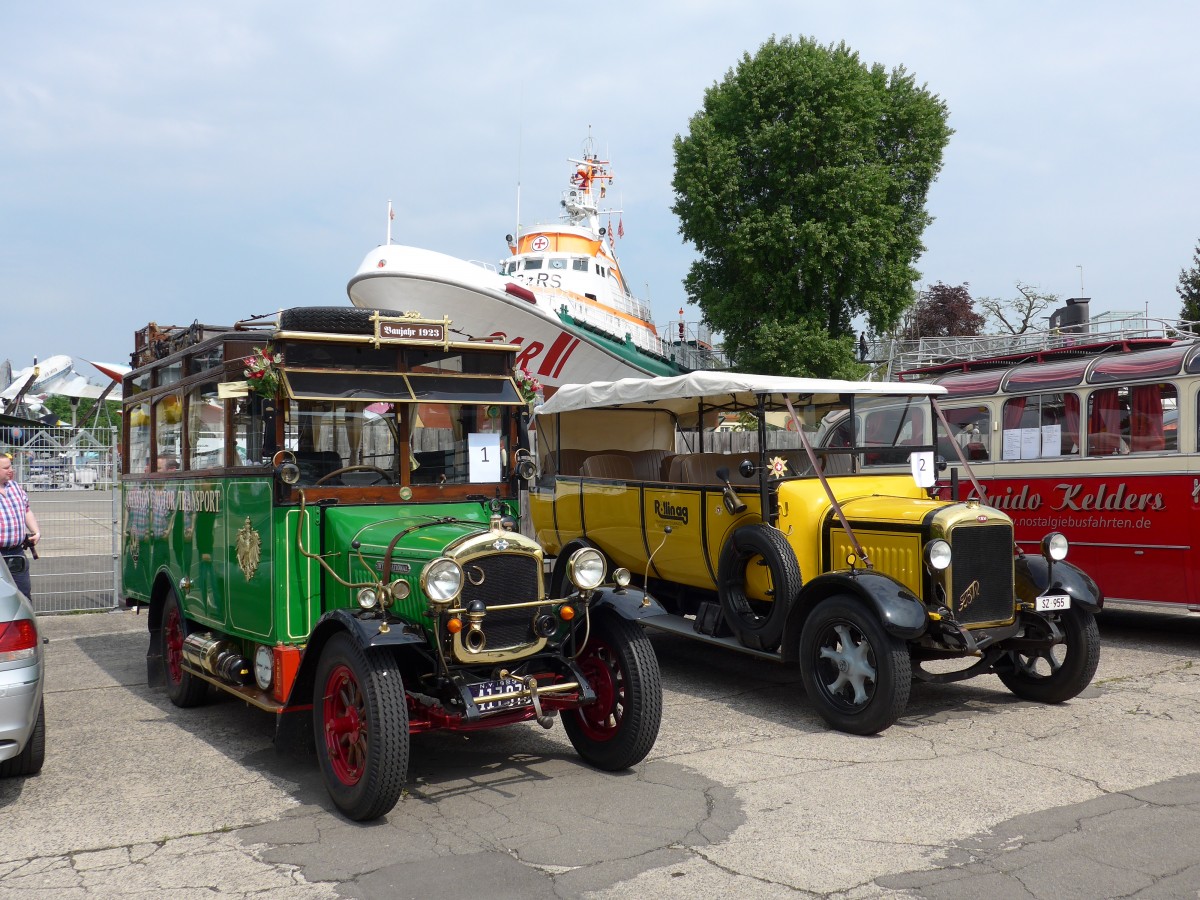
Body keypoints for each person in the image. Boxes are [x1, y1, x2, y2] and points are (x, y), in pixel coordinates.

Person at [0, 454, 41, 599]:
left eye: (10, 466)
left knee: (23, 596)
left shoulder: (15, 487)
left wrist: (35, 531)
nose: (11, 470)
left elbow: (27, 510)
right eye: (6, 468)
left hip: (16, 554)